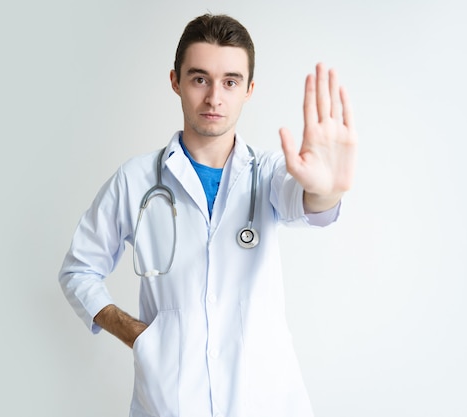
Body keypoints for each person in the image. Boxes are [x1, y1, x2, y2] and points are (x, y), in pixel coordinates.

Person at [59, 13, 357, 417]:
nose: (215, 97)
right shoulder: (135, 180)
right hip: (170, 403)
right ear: (175, 81)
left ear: (249, 90)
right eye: (200, 78)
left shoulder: (267, 173)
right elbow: (79, 270)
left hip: (267, 403)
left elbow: (307, 203)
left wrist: (326, 191)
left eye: (230, 82)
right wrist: (137, 334)